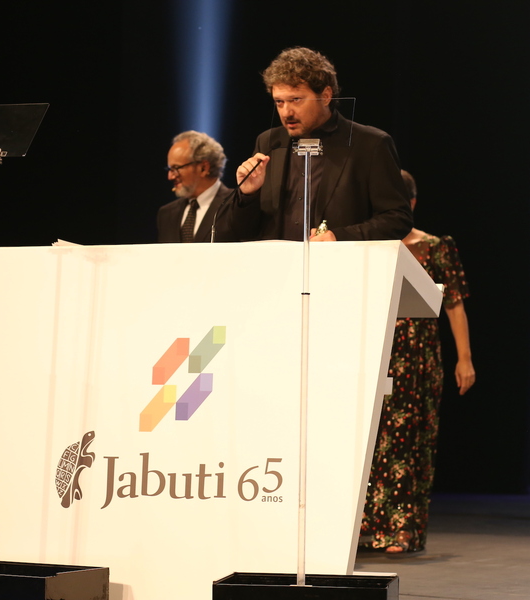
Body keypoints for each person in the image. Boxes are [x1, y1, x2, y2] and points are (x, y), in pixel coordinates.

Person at [361, 169, 476, 554]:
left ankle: (403, 529)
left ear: (410, 203)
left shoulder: (435, 246)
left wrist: (465, 359)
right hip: (373, 350)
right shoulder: (370, 245)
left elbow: (454, 305)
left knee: (408, 440)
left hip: (417, 357)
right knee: (371, 441)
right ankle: (369, 524)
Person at [228, 47, 413, 242]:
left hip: (338, 268)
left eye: (296, 100)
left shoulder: (371, 144)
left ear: (326, 96)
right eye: (279, 102)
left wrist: (339, 237)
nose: (286, 112)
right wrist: (247, 195)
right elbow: (241, 230)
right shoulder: (268, 142)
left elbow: (397, 219)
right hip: (277, 269)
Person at [158, 130, 235, 243]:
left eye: (176, 168)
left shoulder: (235, 205)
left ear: (204, 168)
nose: (170, 176)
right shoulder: (166, 214)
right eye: (170, 169)